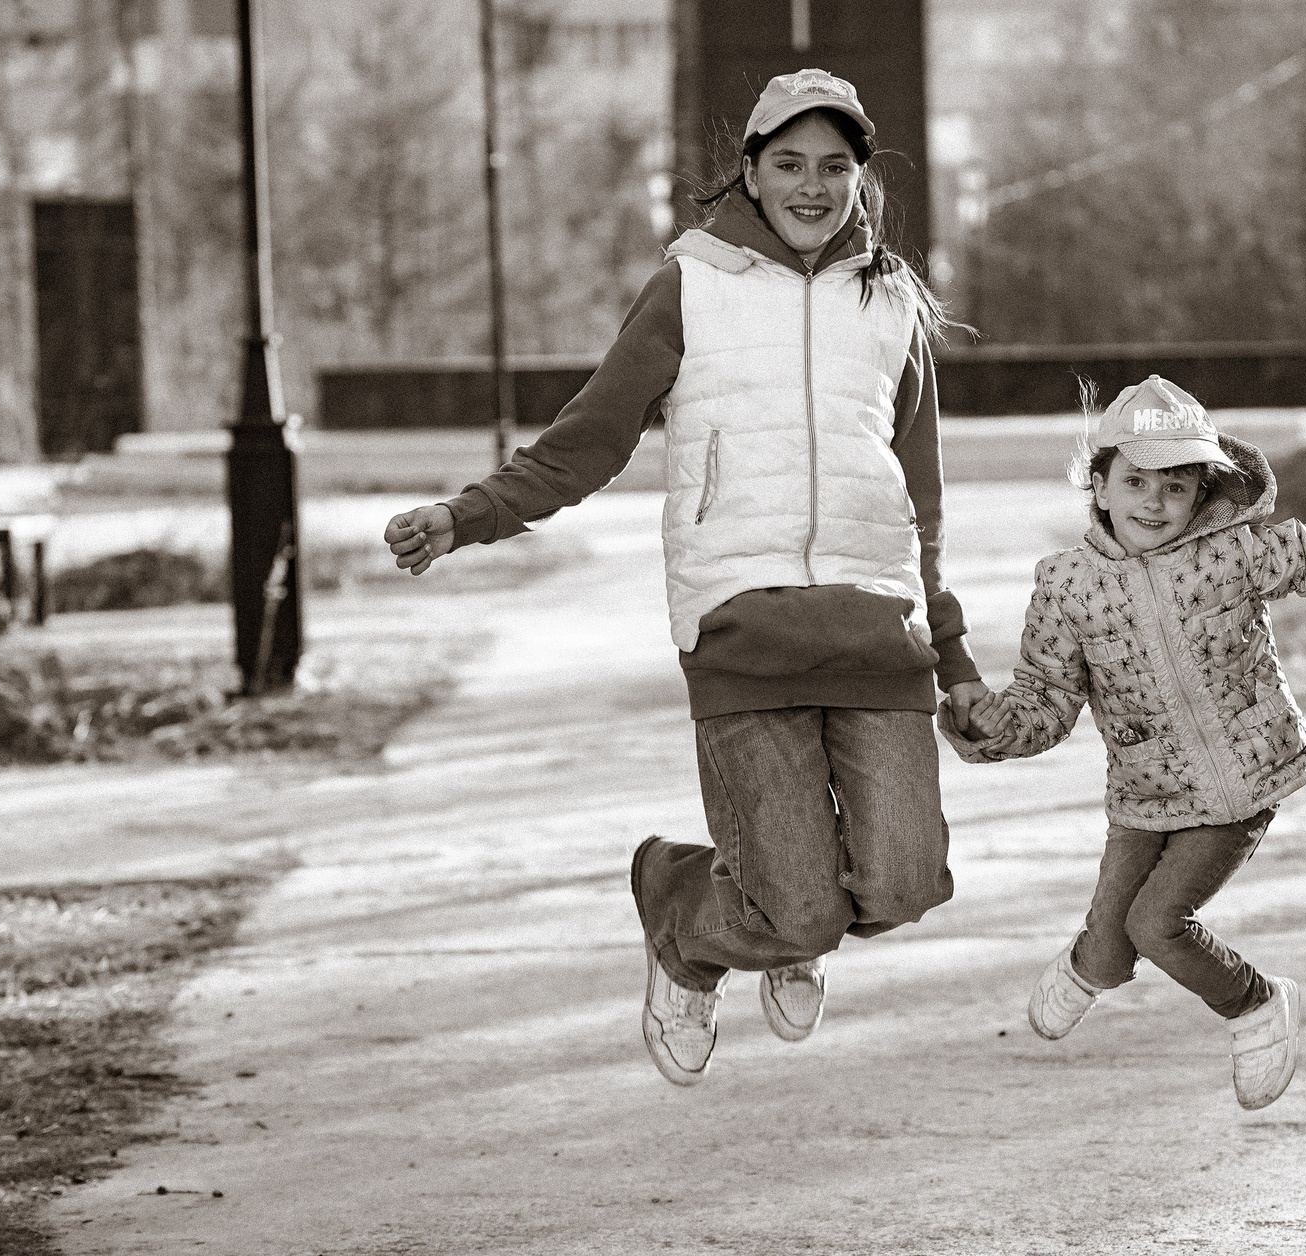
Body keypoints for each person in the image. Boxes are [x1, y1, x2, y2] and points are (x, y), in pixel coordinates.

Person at [382, 69, 994, 1087]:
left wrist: (956, 654)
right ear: (747, 171)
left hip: (877, 634)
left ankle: (773, 898)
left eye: (834, 167)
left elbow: (918, 505)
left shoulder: (892, 302)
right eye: (788, 164)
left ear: (861, 177)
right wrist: (462, 517)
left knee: (902, 885)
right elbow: (588, 440)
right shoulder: (690, 284)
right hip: (740, 625)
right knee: (798, 905)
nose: (812, 187)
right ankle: (687, 915)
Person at [941, 376, 1306, 1110]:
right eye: (1134, 482)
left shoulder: (1232, 552)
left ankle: (1253, 1005)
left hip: (1240, 784)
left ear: (1201, 492)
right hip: (1145, 796)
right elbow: (1046, 696)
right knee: (1109, 943)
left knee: (1156, 923)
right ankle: (1092, 962)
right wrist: (992, 726)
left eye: (1175, 486)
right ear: (1098, 485)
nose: (1153, 503)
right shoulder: (1065, 586)